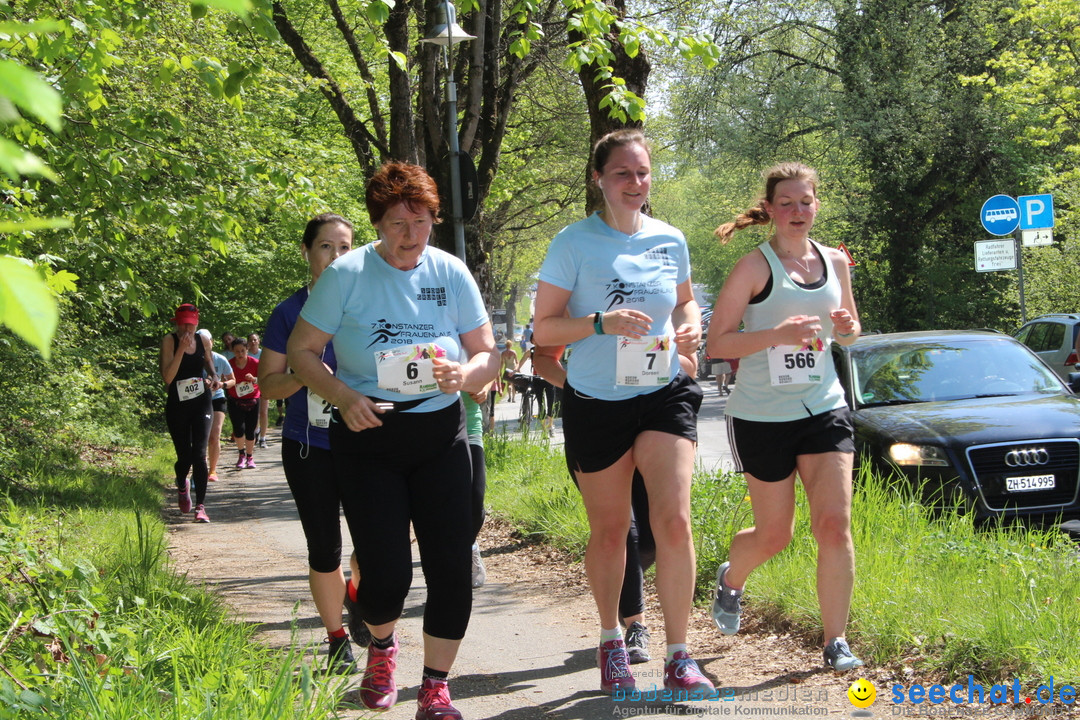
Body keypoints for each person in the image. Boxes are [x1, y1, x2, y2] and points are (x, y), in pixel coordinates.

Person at [287, 161, 499, 720]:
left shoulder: (451, 272)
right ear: (378, 224)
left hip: (439, 431)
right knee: (385, 576)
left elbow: (487, 351)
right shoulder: (347, 275)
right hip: (368, 432)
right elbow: (303, 353)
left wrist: (467, 374)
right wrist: (342, 397)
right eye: (398, 224)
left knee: (451, 563)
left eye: (422, 222)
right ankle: (382, 646)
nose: (411, 236)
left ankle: (435, 686)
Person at [532, 128, 713, 696]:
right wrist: (600, 324)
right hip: (596, 400)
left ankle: (679, 655)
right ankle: (612, 639)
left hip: (662, 391)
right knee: (612, 530)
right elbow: (544, 329)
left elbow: (683, 298)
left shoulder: (669, 239)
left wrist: (691, 326)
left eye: (642, 172)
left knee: (674, 520)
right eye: (622, 174)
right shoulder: (573, 243)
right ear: (599, 180)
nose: (635, 183)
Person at [706, 161, 863, 672]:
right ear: (771, 209)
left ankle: (835, 639)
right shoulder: (754, 267)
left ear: (817, 205)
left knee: (835, 525)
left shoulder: (836, 261)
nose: (798, 211)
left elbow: (851, 332)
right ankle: (732, 577)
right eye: (788, 203)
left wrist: (844, 328)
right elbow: (717, 344)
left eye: (806, 202)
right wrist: (776, 335)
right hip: (760, 415)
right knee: (776, 535)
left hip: (824, 406)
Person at [258, 212, 364, 675]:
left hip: (367, 442)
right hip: (309, 446)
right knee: (325, 549)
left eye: (345, 248)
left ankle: (358, 594)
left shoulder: (370, 304)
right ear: (307, 252)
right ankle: (337, 639)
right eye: (326, 247)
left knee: (378, 546)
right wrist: (307, 372)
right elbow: (268, 385)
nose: (336, 256)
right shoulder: (287, 313)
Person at [159, 303, 217, 524]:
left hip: (202, 401)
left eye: (191, 325)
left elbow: (209, 361)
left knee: (199, 454)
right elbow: (167, 377)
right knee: (184, 457)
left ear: (197, 323)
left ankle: (201, 507)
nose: (187, 329)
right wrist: (181, 350)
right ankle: (182, 483)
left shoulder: (202, 340)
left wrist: (214, 377)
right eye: (183, 324)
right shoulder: (169, 341)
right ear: (177, 323)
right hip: (178, 404)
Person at [199, 329, 235, 482]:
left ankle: (212, 470)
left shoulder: (220, 359)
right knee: (200, 437)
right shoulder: (192, 359)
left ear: (211, 343)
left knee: (215, 435)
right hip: (198, 400)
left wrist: (222, 384)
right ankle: (200, 466)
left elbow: (233, 380)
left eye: (207, 342)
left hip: (217, 399)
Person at [226, 337, 260, 470]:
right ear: (233, 351)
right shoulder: (229, 364)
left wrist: (254, 379)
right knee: (239, 429)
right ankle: (241, 455)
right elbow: (225, 379)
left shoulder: (255, 363)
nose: (240, 354)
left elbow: (262, 380)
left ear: (247, 350)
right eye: (237, 351)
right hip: (235, 400)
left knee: (250, 430)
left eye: (242, 351)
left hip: (253, 399)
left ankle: (250, 457)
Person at [512, 346, 557, 435]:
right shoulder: (531, 351)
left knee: (551, 403)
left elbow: (555, 362)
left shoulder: (549, 349)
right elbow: (520, 363)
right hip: (537, 379)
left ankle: (551, 426)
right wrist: (514, 370)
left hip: (549, 378)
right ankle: (544, 429)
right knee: (541, 404)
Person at [249, 332, 271, 449]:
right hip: (250, 388)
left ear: (258, 341)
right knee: (254, 413)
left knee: (263, 412)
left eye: (255, 340)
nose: (253, 342)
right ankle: (256, 430)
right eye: (251, 340)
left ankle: (263, 438)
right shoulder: (245, 354)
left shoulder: (264, 354)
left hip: (262, 384)